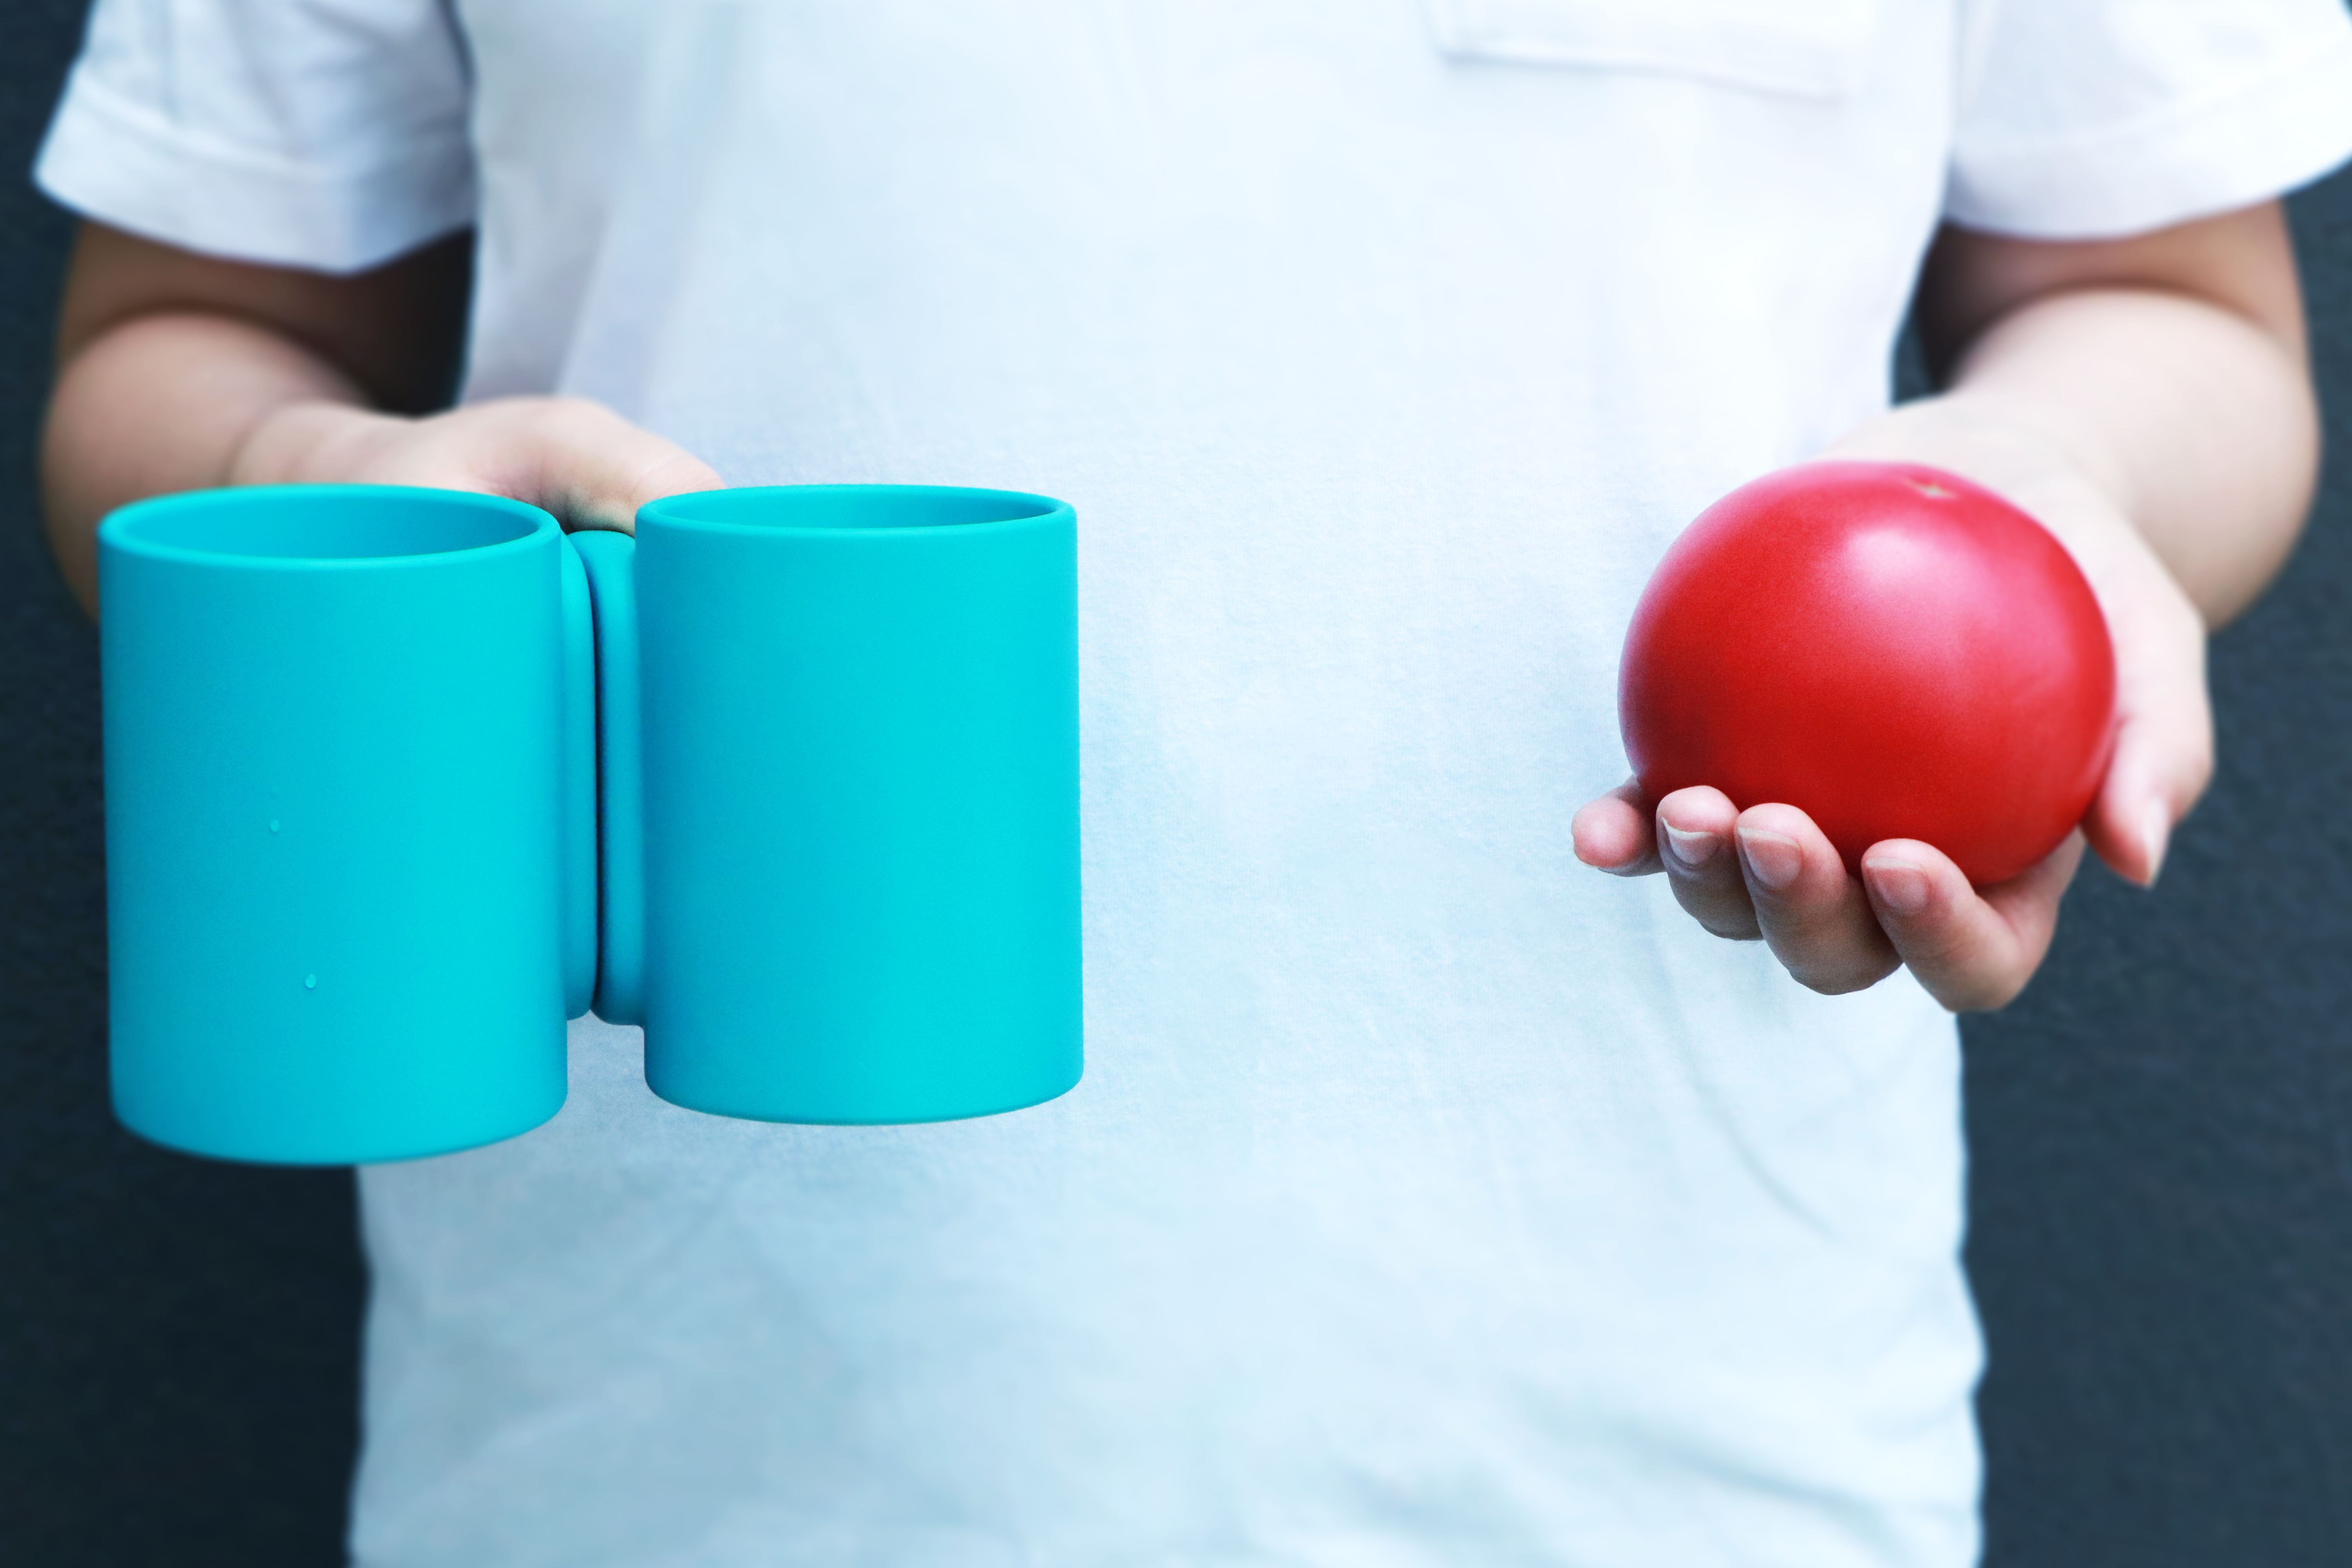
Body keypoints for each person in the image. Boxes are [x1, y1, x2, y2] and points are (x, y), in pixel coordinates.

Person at [33, 1, 2352, 1562]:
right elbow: (177, 343)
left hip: (1683, 1461)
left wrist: (2043, 493)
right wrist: (352, 508)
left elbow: (2173, 297)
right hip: (661, 1463)